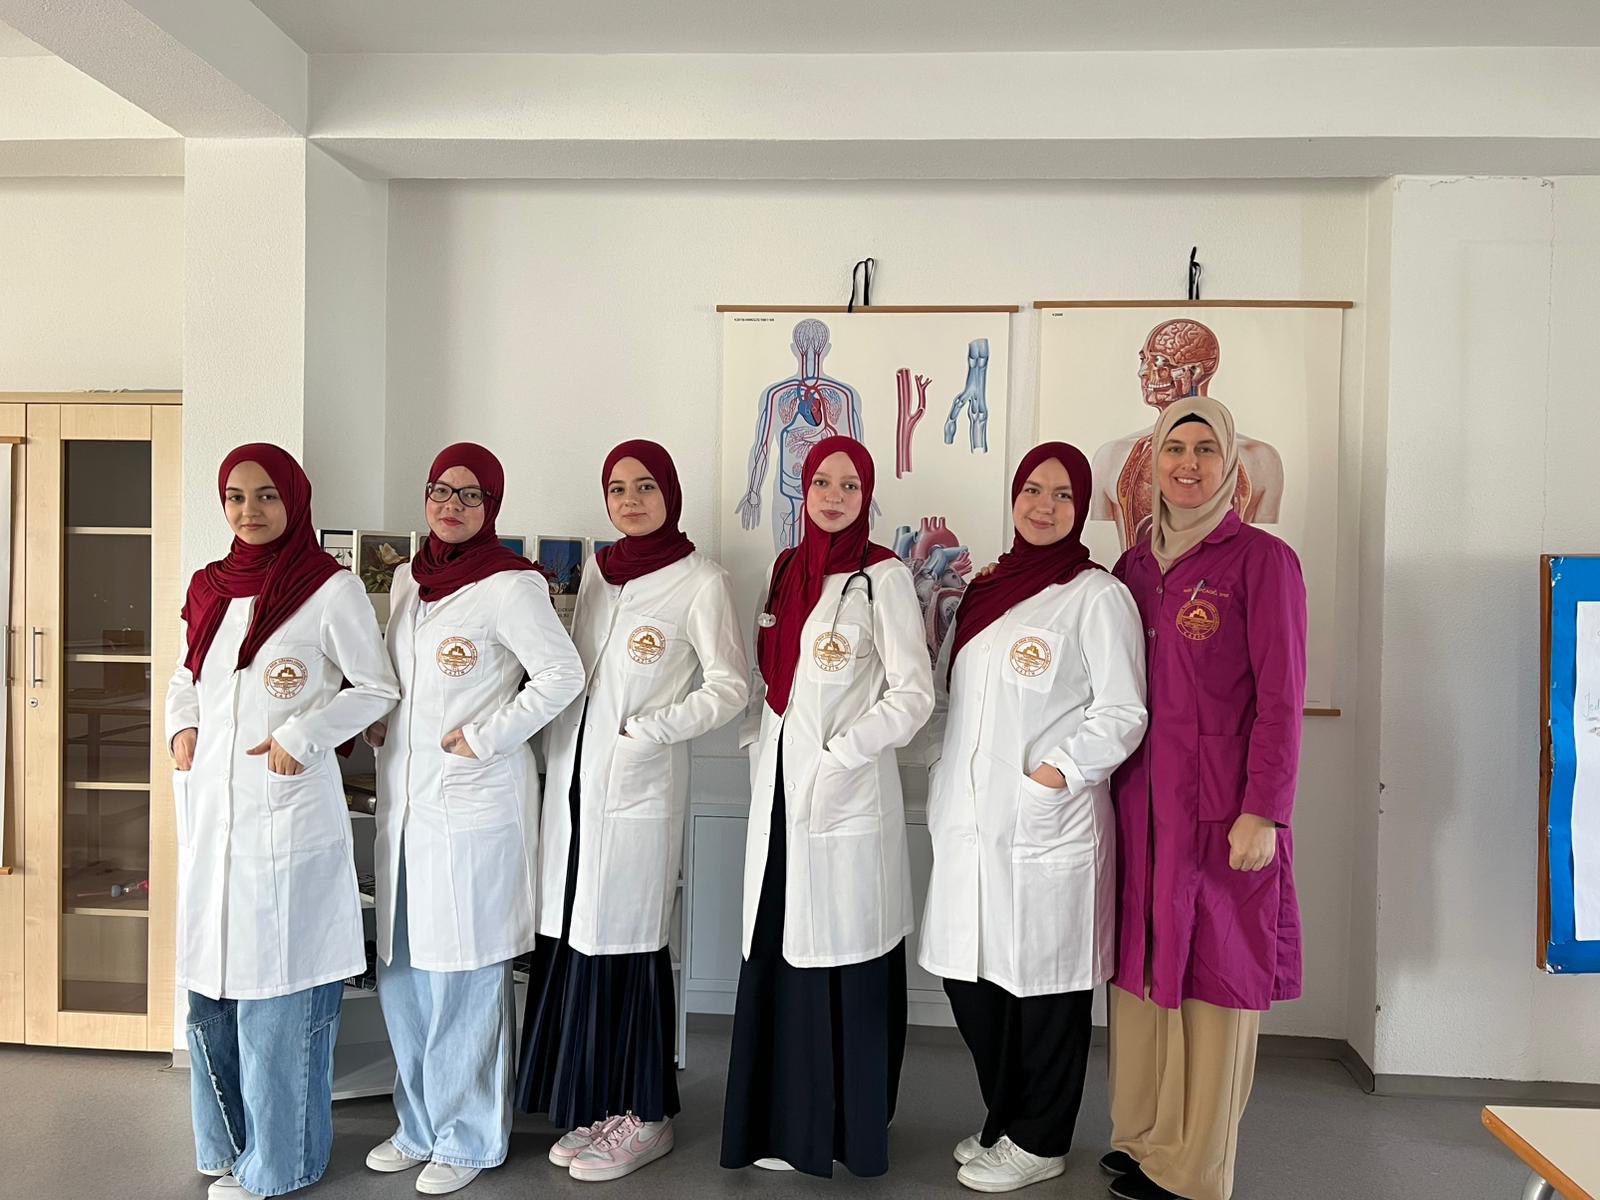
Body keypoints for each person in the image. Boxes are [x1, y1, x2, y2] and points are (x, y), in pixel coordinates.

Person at [167, 444, 400, 1200]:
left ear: (294, 500)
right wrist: (181, 725)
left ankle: (282, 1162)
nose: (249, 510)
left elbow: (376, 687)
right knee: (210, 993)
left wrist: (303, 736)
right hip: (216, 817)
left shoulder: (328, 588)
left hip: (285, 818)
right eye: (236, 496)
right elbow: (187, 674)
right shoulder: (208, 586)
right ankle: (225, 1145)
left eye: (266, 495)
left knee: (278, 998)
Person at [517, 439, 749, 1182]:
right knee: (580, 945)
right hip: (575, 790)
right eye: (617, 488)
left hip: (637, 786)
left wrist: (649, 731)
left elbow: (731, 685)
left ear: (670, 494)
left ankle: (647, 1115)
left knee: (631, 948)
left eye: (645, 486)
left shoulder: (701, 580)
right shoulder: (599, 572)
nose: (630, 500)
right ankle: (601, 1104)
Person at [920, 442, 1148, 1192]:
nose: (1044, 506)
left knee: (1044, 988)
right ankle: (1005, 1118)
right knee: (970, 977)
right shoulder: (985, 590)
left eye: (1062, 495)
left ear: (1080, 508)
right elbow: (954, 701)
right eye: (1032, 490)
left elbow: (1123, 711)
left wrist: (1056, 777)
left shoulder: (1095, 596)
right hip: (970, 822)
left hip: (1046, 822)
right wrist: (944, 774)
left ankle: (1040, 1139)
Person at [363, 443, 584, 1196]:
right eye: (439, 490)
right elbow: (401, 677)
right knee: (402, 974)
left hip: (472, 800)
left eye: (469, 494)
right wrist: (382, 720)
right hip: (406, 805)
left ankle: (468, 1137)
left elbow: (562, 674)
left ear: (491, 505)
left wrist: (487, 736)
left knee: (464, 976)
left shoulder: (512, 584)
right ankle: (419, 1123)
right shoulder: (408, 580)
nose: (450, 505)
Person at [1103, 397, 1307, 1200]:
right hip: (1139, 806)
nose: (1187, 464)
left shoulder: (1262, 561)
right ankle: (1143, 1135)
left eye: (1205, 450)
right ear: (1152, 462)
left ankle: (1194, 1168)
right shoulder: (1132, 568)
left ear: (1230, 464)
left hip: (1223, 810)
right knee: (1143, 968)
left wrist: (1265, 810)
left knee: (1214, 978)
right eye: (1173, 449)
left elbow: (1282, 699)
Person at [720, 435, 934, 1179]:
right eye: (822, 482)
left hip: (841, 795)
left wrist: (843, 754)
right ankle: (782, 1127)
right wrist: (758, 739)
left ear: (866, 496)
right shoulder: (785, 570)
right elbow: (769, 675)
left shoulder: (884, 578)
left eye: (850, 485)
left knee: (838, 962)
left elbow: (913, 694)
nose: (835, 496)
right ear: (803, 490)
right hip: (780, 795)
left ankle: (841, 1130)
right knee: (778, 952)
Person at [1089, 318, 1284, 551]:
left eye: (1160, 363)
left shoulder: (1259, 457)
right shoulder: (1112, 456)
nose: (1142, 373)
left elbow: (1262, 546)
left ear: (1196, 372)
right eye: (1143, 360)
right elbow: (1102, 546)